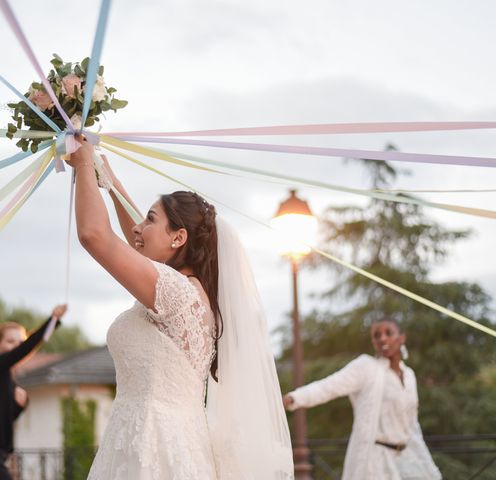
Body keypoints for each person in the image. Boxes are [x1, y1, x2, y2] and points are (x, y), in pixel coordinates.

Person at [67, 137, 294, 479]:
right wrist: (107, 180)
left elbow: (95, 236)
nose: (137, 229)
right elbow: (136, 239)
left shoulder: (175, 291)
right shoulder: (182, 289)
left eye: (150, 220)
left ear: (178, 238)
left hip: (155, 449)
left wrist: (84, 164)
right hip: (155, 441)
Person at [283, 317, 441, 480]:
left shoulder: (409, 375)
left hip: (406, 458)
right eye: (376, 335)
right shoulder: (367, 367)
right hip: (375, 461)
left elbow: (412, 423)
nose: (382, 338)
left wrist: (420, 456)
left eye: (388, 333)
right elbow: (329, 386)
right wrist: (294, 398)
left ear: (401, 338)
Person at [0, 305, 67, 480]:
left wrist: (19, 407)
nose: (16, 346)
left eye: (19, 341)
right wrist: (53, 320)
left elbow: (2, 420)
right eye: (10, 341)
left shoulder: (6, 381)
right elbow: (24, 350)